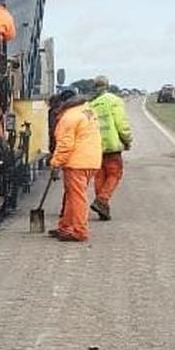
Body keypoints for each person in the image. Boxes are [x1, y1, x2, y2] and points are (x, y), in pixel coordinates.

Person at [48, 91, 102, 242]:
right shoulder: (87, 111)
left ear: (61, 104)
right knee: (72, 196)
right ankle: (65, 227)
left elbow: (65, 145)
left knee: (77, 197)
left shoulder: (69, 118)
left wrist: (55, 163)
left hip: (77, 162)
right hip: (91, 160)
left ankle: (79, 231)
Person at [87, 75, 133, 220]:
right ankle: (102, 200)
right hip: (112, 146)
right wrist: (127, 139)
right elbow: (122, 123)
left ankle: (103, 208)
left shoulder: (90, 104)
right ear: (108, 85)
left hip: (95, 146)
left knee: (99, 176)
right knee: (114, 174)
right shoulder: (114, 101)